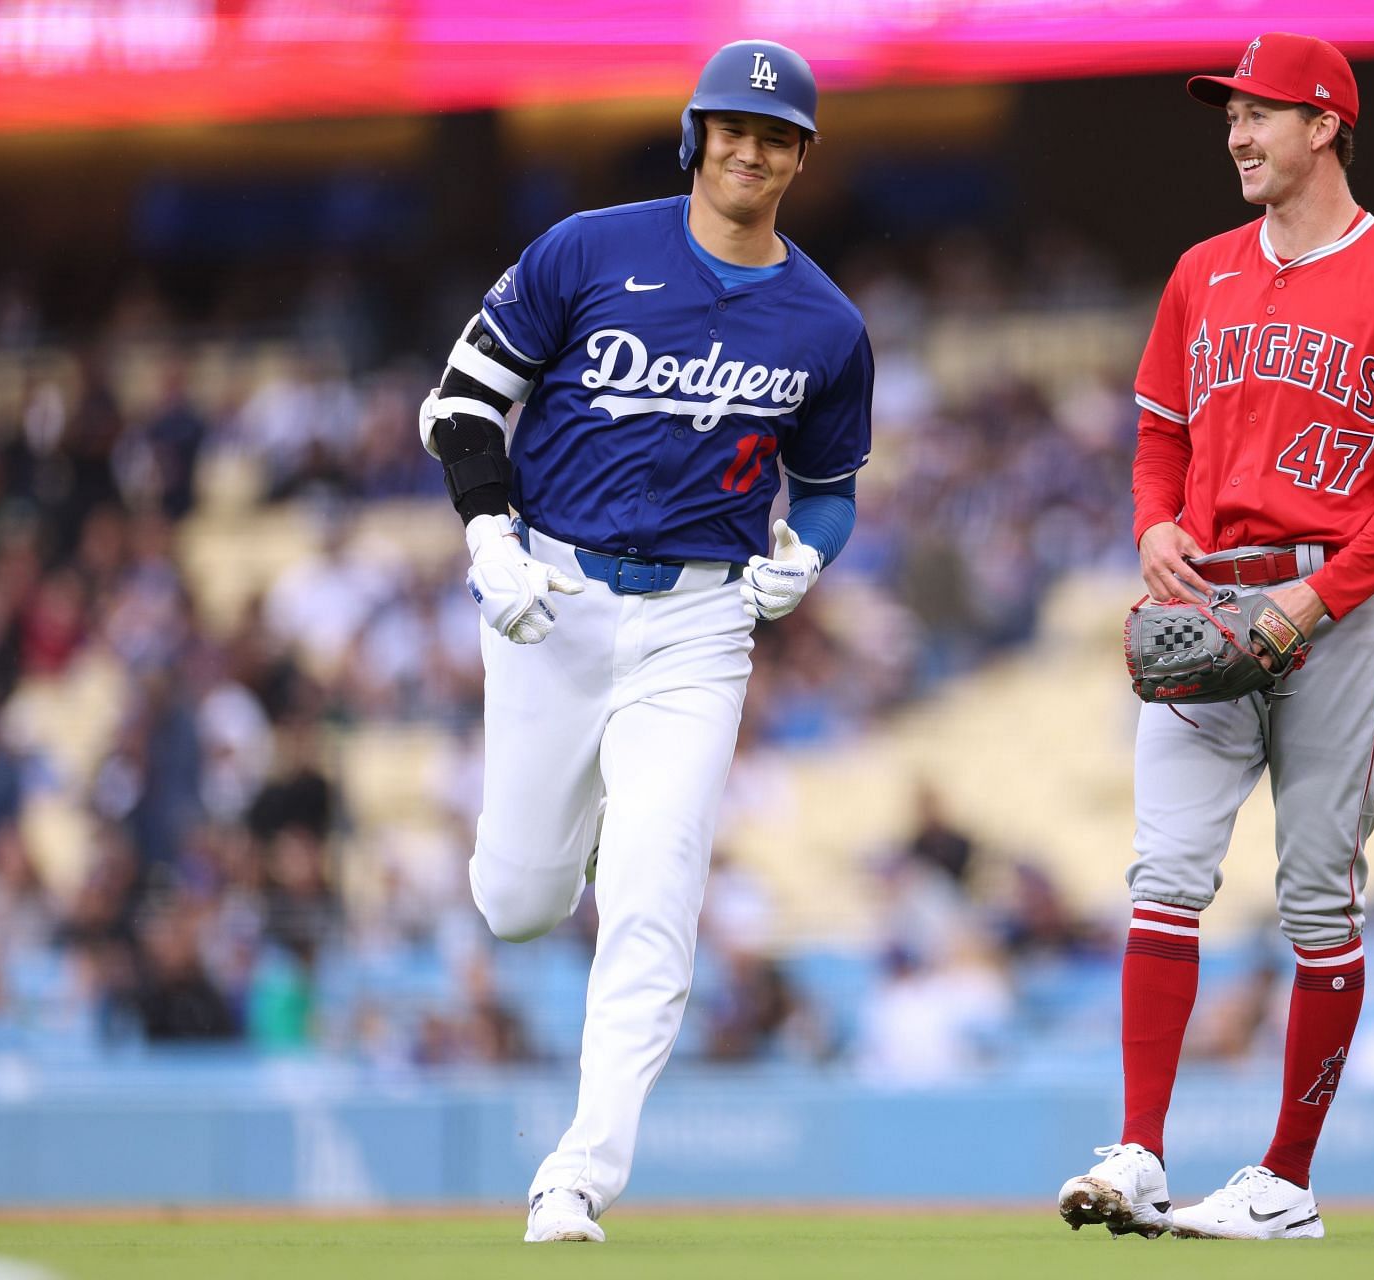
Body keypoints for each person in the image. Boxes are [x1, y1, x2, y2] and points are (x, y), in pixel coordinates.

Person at [417, 39, 872, 1243]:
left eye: (777, 136)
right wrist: (488, 540)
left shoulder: (826, 321)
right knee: (518, 899)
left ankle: (577, 1172)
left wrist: (807, 556)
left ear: (800, 159)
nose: (752, 148)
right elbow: (461, 399)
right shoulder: (588, 247)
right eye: (735, 126)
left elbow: (828, 484)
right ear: (696, 133)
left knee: (656, 893)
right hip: (549, 598)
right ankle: (557, 839)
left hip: (700, 619)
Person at [1058, 32, 1374, 1241]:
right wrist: (1150, 529)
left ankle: (1285, 1178)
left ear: (1326, 125)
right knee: (1165, 874)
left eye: (1260, 114)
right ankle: (1138, 1152)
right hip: (1208, 600)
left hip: (1334, 615)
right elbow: (1159, 439)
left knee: (1315, 899)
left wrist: (1323, 595)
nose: (1237, 134)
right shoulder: (1202, 272)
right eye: (1230, 115)